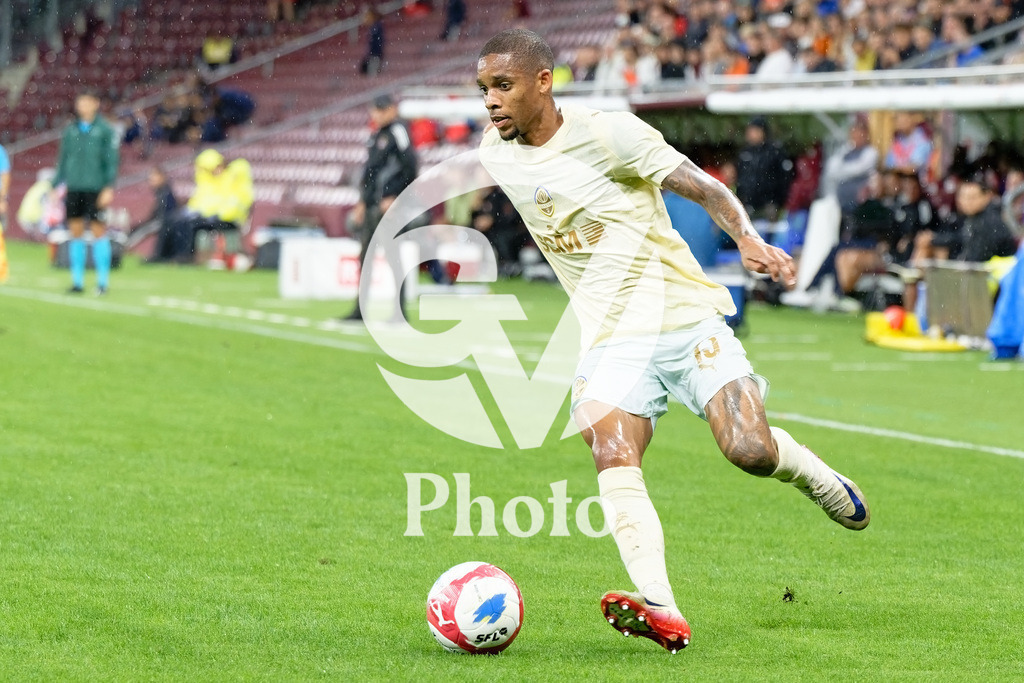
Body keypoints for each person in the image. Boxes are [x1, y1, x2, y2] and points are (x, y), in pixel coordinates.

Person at [475, 29, 870, 654]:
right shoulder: (496, 153)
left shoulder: (612, 134)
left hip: (684, 316)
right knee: (610, 448)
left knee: (748, 450)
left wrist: (746, 239)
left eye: (503, 86)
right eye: (483, 90)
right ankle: (662, 606)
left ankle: (813, 474)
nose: (490, 103)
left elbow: (707, 189)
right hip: (609, 337)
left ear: (543, 82)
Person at [342, 94, 417, 321]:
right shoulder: (376, 135)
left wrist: (396, 197)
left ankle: (400, 312)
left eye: (381, 110)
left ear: (392, 110)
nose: (377, 114)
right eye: (376, 110)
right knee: (365, 257)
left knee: (393, 258)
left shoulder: (398, 131)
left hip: (389, 208)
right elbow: (370, 172)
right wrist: (363, 201)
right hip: (373, 205)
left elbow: (410, 167)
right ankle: (360, 309)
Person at [54, 89, 120, 295]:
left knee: (99, 232)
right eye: (79, 102)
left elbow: (112, 160)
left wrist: (109, 186)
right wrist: (55, 185)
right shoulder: (70, 130)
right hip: (74, 187)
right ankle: (78, 282)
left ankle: (102, 282)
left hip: (96, 188)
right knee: (75, 233)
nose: (81, 106)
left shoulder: (105, 130)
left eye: (85, 102)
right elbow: (62, 160)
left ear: (95, 103)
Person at [133, 167, 181, 263]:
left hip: (164, 221)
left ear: (161, 177)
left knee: (143, 230)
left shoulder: (165, 191)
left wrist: (152, 220)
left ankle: (124, 248)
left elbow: (165, 212)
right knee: (140, 227)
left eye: (153, 178)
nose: (151, 181)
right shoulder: (161, 190)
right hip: (163, 221)